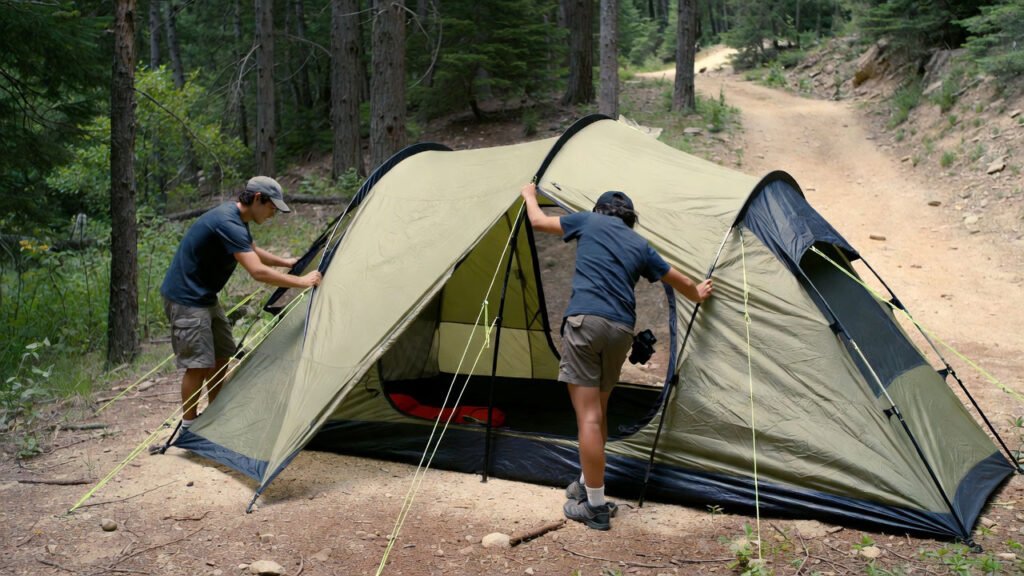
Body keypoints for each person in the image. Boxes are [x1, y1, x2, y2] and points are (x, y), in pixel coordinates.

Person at [520, 183, 713, 530]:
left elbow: (538, 222)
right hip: (620, 330)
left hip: (585, 324)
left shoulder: (588, 221)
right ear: (630, 219)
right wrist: (698, 293)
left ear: (600, 210)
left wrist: (529, 196)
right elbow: (679, 280)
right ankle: (586, 484)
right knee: (599, 412)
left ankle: (595, 507)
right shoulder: (639, 244)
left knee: (588, 418)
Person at [161, 176, 322, 428]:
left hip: (205, 297)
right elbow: (257, 271)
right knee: (198, 364)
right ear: (258, 199)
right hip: (186, 298)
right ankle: (188, 426)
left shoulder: (237, 220)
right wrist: (302, 282)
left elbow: (252, 250)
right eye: (272, 207)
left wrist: (286, 262)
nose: (273, 214)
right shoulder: (228, 222)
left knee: (223, 354)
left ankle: (215, 415)